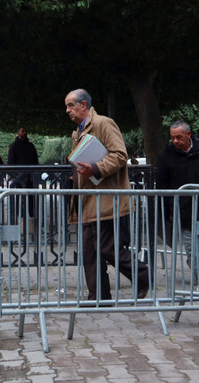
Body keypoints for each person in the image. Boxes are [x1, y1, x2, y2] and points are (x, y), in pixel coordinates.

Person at [64, 89, 149, 301]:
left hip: (106, 200)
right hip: (87, 200)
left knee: (107, 248)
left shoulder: (103, 123)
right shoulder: (78, 132)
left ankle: (142, 273)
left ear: (84, 105)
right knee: (89, 253)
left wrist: (96, 168)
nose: (68, 110)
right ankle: (98, 296)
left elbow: (120, 155)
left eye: (70, 105)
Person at [155, 121, 199, 293]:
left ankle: (195, 266)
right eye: (172, 137)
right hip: (183, 209)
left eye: (179, 137)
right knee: (191, 247)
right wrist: (165, 210)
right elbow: (162, 182)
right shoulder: (167, 154)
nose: (176, 141)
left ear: (189, 134)